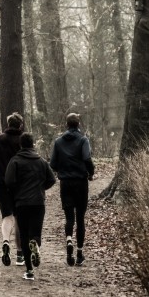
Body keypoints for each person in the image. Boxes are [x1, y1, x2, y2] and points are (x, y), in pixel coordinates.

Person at [5, 132, 56, 281]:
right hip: (38, 202)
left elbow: (8, 181)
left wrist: (17, 191)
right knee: (36, 233)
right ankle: (36, 244)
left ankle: (29, 271)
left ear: (21, 145)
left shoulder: (15, 161)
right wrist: (41, 188)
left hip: (21, 203)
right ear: (33, 144)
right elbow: (52, 179)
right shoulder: (41, 161)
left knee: (25, 236)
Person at [50, 113, 95, 266]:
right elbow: (87, 158)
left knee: (69, 217)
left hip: (66, 183)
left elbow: (53, 164)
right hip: (80, 183)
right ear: (78, 124)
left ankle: (69, 240)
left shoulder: (58, 142)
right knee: (80, 218)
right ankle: (80, 252)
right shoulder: (83, 140)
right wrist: (91, 173)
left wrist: (62, 169)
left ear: (66, 125)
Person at [0, 112, 25, 266]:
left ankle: (6, 242)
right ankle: (20, 254)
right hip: (19, 183)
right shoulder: (23, 140)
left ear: (8, 124)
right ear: (20, 125)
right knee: (18, 217)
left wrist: (0, 166)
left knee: (7, 216)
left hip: (1, 182)